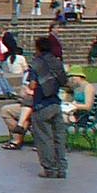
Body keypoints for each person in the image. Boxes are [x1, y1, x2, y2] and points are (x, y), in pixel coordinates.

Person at [28, 35, 70, 180]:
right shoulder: (57, 62)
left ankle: (49, 168)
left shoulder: (36, 64)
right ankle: (61, 168)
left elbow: (32, 84)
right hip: (56, 104)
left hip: (41, 105)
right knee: (59, 137)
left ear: (38, 48)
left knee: (44, 138)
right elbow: (65, 81)